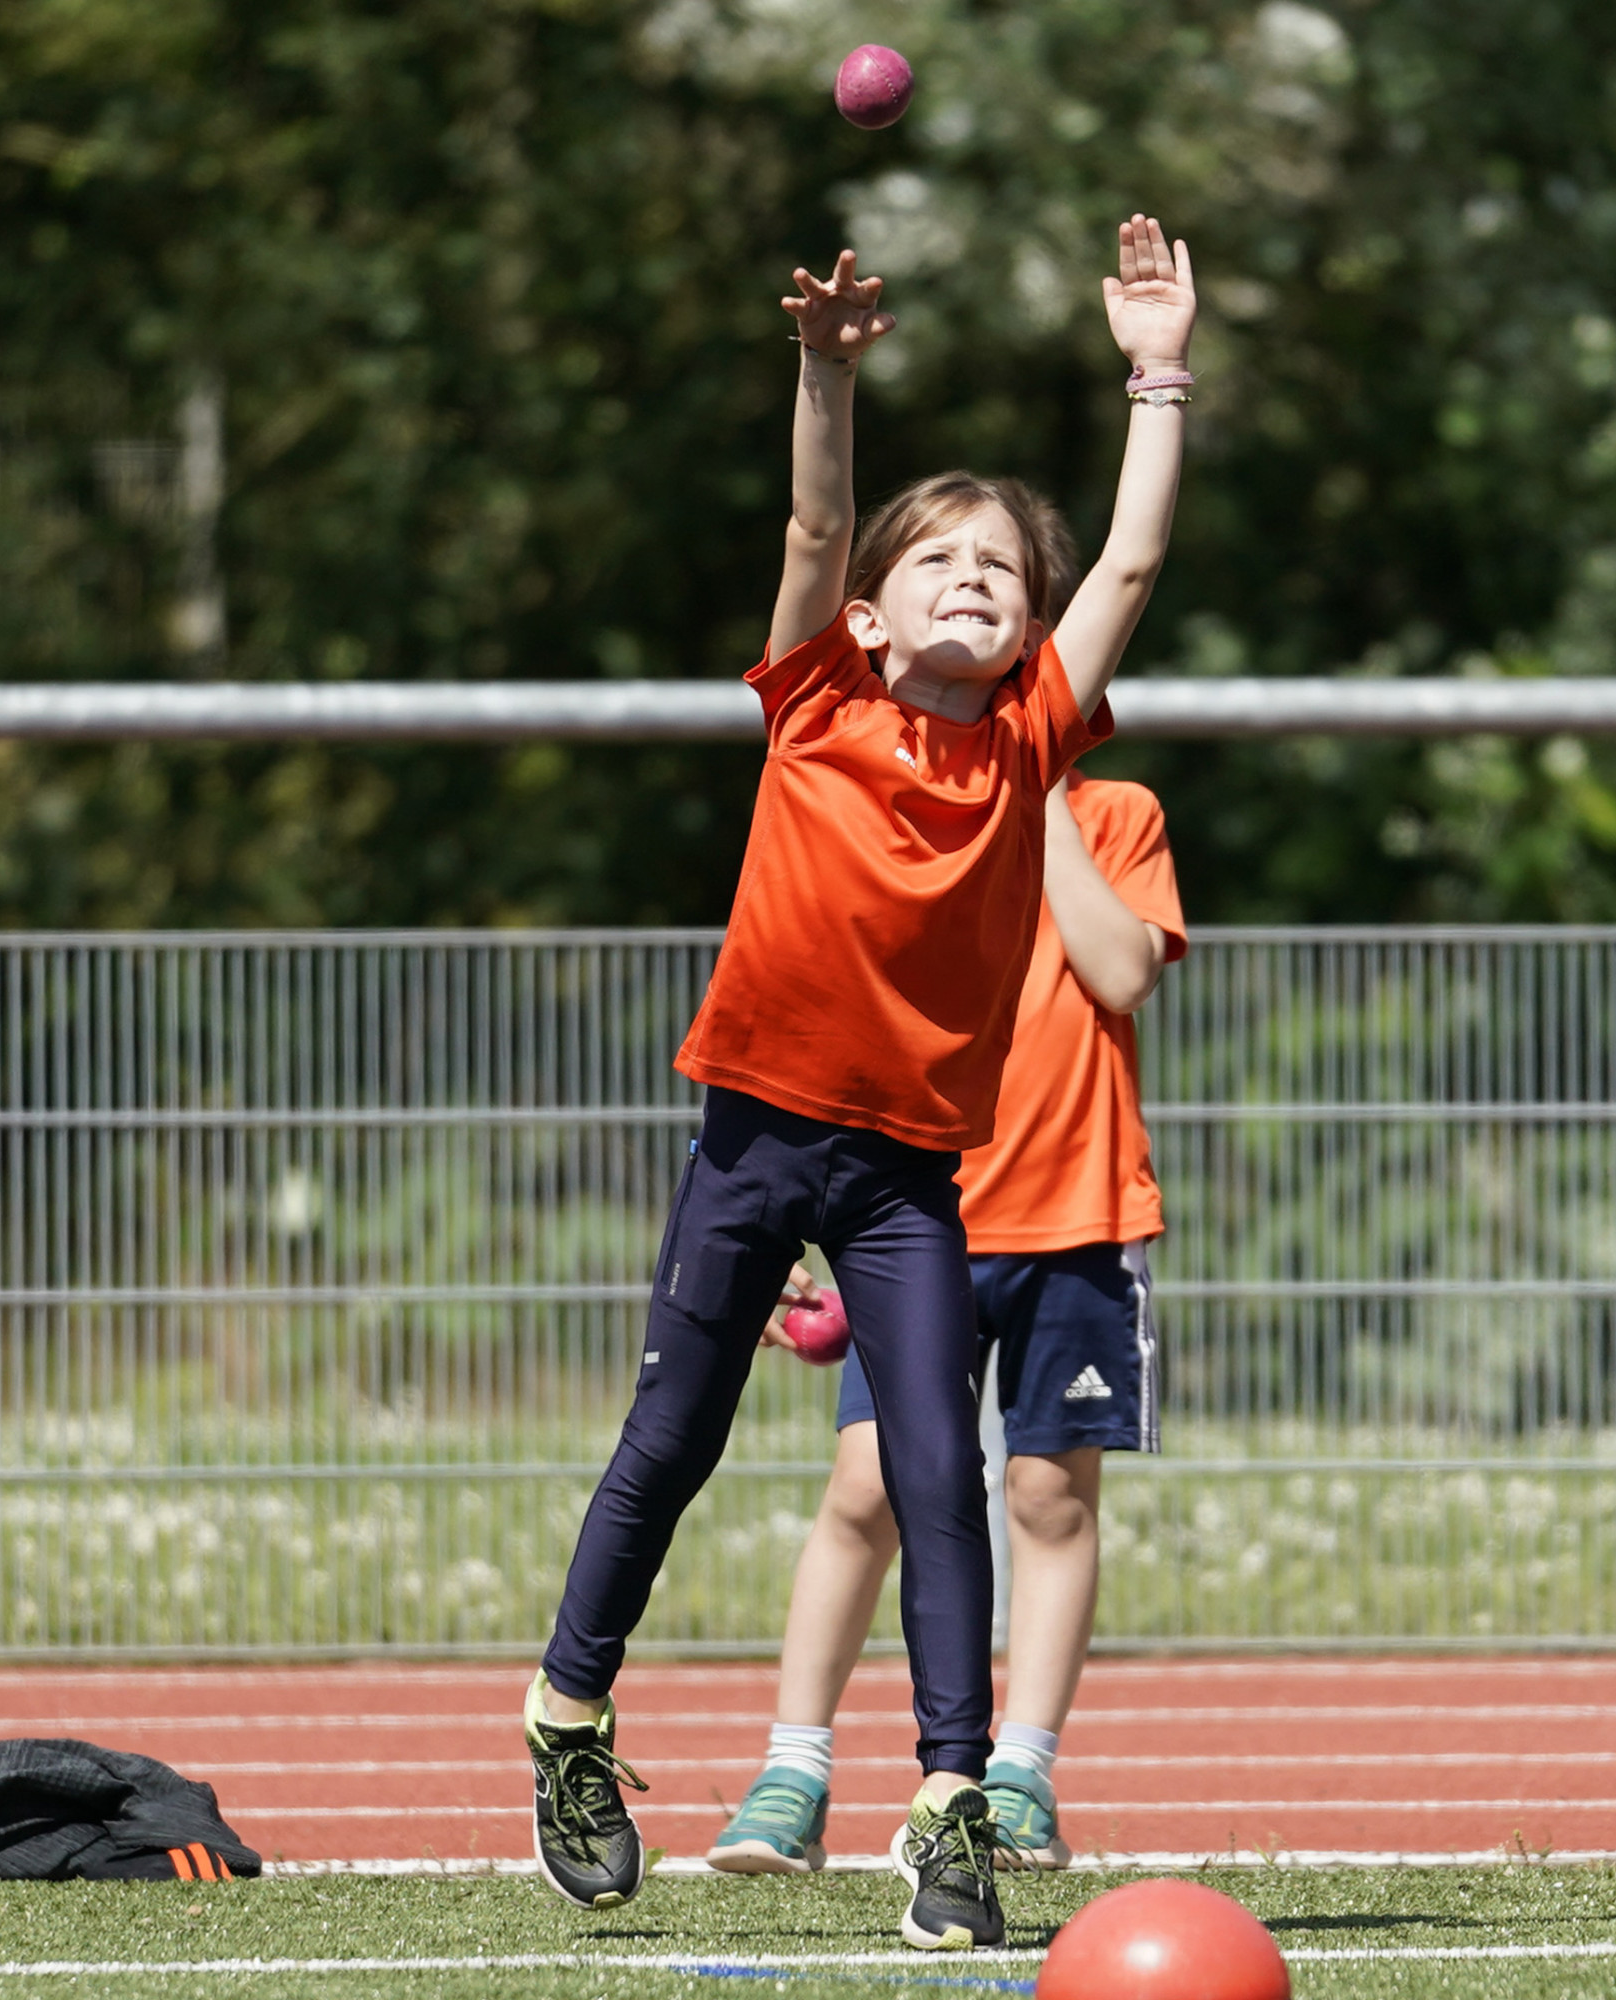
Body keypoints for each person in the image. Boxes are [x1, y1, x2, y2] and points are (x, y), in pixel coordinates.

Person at [522, 215, 1198, 1952]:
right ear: (877, 612)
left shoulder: (1035, 736)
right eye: (942, 561)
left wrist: (1158, 375)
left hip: (906, 1168)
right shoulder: (817, 700)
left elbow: (1124, 564)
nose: (978, 576)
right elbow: (820, 520)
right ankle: (570, 1722)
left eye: (1000, 566)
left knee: (934, 1474)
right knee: (670, 1440)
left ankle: (952, 1805)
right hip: (756, 1139)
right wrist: (825, 372)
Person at [706, 765, 1185, 1877]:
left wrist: (1037, 795)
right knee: (867, 1489)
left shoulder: (1115, 812)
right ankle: (792, 1772)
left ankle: (1018, 1774)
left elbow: (1119, 970)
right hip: (911, 1216)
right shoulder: (895, 805)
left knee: (1046, 1496)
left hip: (1077, 1216)